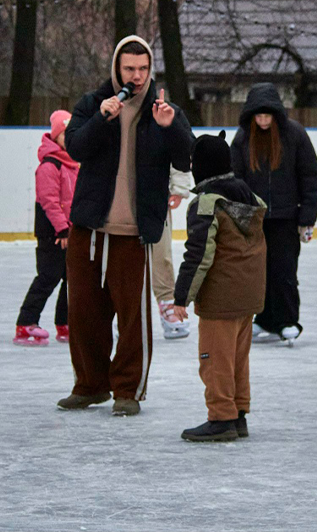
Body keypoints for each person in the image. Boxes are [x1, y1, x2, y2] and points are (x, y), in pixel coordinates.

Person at [56, 35, 194, 417]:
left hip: (134, 234)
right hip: (89, 227)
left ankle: (127, 391)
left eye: (142, 69)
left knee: (133, 319)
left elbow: (187, 156)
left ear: (151, 70)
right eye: (129, 68)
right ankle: (89, 385)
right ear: (117, 68)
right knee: (83, 313)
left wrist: (170, 128)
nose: (135, 76)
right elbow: (75, 148)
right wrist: (102, 118)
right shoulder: (94, 104)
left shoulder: (164, 110)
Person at [173, 131, 267, 441]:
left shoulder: (207, 203)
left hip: (221, 297)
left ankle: (221, 417)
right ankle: (238, 414)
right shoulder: (249, 197)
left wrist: (181, 298)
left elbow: (199, 254)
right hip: (248, 295)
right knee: (237, 358)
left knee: (214, 359)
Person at [230, 83, 317, 344]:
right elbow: (234, 179)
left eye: (267, 116)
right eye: (258, 116)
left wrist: (307, 218)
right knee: (257, 272)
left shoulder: (294, 135)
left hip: (286, 216)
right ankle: (263, 319)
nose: (262, 121)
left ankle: (288, 320)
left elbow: (310, 175)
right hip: (254, 218)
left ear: (276, 114)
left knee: (284, 271)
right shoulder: (243, 138)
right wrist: (238, 217)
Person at [14, 110, 79, 346]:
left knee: (72, 279)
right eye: (65, 134)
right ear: (56, 136)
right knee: (48, 277)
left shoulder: (74, 164)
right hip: (52, 232)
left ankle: (66, 323)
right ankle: (26, 322)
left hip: (72, 232)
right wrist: (61, 229)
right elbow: (49, 201)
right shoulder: (49, 166)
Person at [151, 166, 195, 340]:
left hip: (155, 195)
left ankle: (167, 302)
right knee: (125, 256)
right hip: (121, 195)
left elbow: (180, 147)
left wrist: (179, 188)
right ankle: (127, 311)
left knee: (161, 255)